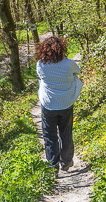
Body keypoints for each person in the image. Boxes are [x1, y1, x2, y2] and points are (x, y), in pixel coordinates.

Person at [35, 35, 84, 172]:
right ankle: (66, 162)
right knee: (66, 133)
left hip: (48, 104)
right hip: (66, 103)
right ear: (62, 48)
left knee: (50, 136)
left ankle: (53, 165)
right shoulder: (69, 64)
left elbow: (40, 77)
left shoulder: (41, 65)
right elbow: (78, 71)